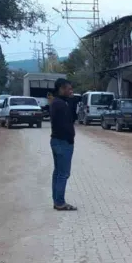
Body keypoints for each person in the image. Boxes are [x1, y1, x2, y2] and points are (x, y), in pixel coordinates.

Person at [49, 78, 77, 211]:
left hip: (58, 141)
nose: (71, 91)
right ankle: (60, 202)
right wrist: (70, 138)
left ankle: (57, 201)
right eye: (69, 88)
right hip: (63, 142)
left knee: (58, 172)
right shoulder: (60, 104)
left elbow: (72, 118)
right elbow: (69, 120)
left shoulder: (58, 102)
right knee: (63, 173)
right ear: (61, 88)